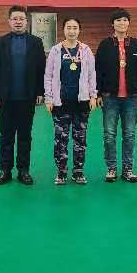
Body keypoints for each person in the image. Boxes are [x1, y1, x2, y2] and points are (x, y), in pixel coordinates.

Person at [0, 6, 46, 186]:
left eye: (21, 19)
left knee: (24, 136)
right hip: (6, 98)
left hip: (27, 97)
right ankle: (5, 170)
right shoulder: (0, 42)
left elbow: (41, 69)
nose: (18, 22)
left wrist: (40, 92)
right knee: (6, 135)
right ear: (9, 21)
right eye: (15, 19)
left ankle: (23, 170)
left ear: (27, 22)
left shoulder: (36, 42)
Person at [95, 8, 137, 183]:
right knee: (109, 134)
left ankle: (127, 169)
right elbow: (98, 70)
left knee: (129, 134)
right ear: (113, 24)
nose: (122, 23)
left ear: (129, 23)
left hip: (131, 98)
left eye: (125, 20)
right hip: (109, 97)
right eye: (118, 20)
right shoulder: (105, 45)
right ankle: (111, 168)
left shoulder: (136, 44)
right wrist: (98, 93)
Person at [44, 18, 97, 185]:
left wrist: (93, 96)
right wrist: (49, 98)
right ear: (63, 30)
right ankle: (61, 172)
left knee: (80, 139)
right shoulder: (55, 50)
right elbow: (48, 76)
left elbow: (92, 75)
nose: (72, 31)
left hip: (81, 102)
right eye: (69, 27)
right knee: (61, 139)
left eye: (75, 28)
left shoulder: (86, 50)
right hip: (61, 103)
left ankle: (78, 171)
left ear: (79, 30)